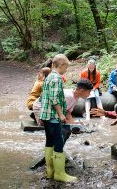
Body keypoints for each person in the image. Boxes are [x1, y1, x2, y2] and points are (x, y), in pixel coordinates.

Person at [39, 54, 77, 182]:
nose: (66, 69)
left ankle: (50, 171)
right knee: (58, 142)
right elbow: (54, 99)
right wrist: (61, 114)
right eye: (66, 67)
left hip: (45, 115)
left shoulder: (49, 76)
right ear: (61, 65)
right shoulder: (56, 78)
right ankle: (59, 174)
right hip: (53, 116)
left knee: (49, 141)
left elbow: (44, 96)